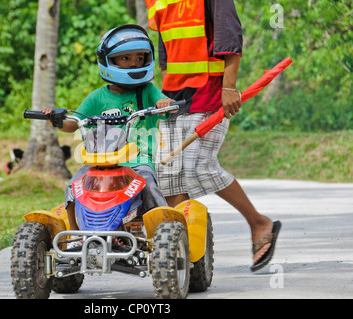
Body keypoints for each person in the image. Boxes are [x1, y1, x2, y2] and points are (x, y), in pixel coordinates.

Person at [146, 0, 281, 271]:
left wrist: (229, 87)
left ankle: (259, 222)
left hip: (209, 94)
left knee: (198, 167)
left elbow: (230, 36)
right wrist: (160, 98)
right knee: (169, 179)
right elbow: (165, 53)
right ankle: (183, 258)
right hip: (172, 99)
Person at [42, 24, 173, 230]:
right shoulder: (96, 97)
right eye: (125, 58)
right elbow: (74, 123)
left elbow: (166, 106)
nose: (133, 63)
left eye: (139, 58)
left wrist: (164, 104)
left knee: (147, 185)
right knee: (73, 187)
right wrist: (57, 120)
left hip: (137, 161)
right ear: (108, 61)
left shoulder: (148, 91)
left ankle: (164, 228)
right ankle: (77, 235)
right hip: (98, 163)